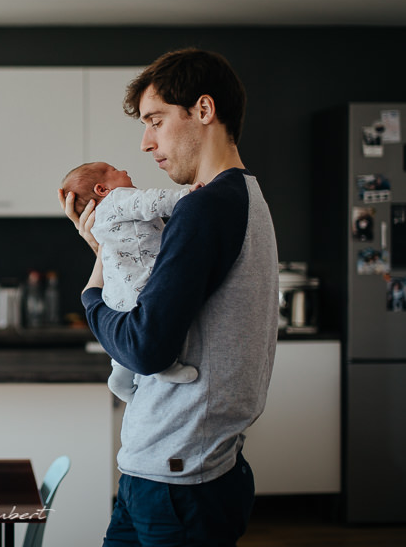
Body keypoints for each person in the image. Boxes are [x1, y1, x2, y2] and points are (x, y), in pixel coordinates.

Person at [58, 48, 278, 546]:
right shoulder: (243, 196)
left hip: (178, 480)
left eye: (155, 121)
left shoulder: (204, 208)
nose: (144, 142)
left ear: (203, 110)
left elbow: (145, 348)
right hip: (176, 470)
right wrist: (104, 251)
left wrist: (91, 296)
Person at [61, 161, 200, 402]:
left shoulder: (99, 222)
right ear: (102, 189)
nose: (124, 171)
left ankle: (120, 374)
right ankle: (162, 366)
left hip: (116, 292)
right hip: (141, 282)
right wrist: (187, 196)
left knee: (126, 339)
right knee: (158, 325)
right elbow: (151, 201)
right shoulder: (119, 199)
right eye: (114, 171)